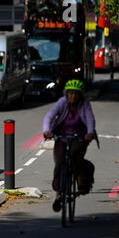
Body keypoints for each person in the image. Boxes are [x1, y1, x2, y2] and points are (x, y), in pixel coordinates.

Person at [43, 79, 98, 212]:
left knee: (75, 157)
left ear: (80, 95)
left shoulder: (84, 104)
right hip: (62, 136)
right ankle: (58, 194)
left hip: (80, 136)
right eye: (70, 93)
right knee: (60, 161)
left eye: (76, 94)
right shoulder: (62, 103)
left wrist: (90, 133)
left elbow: (90, 118)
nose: (73, 96)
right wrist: (47, 131)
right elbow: (49, 116)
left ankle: (81, 182)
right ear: (66, 94)